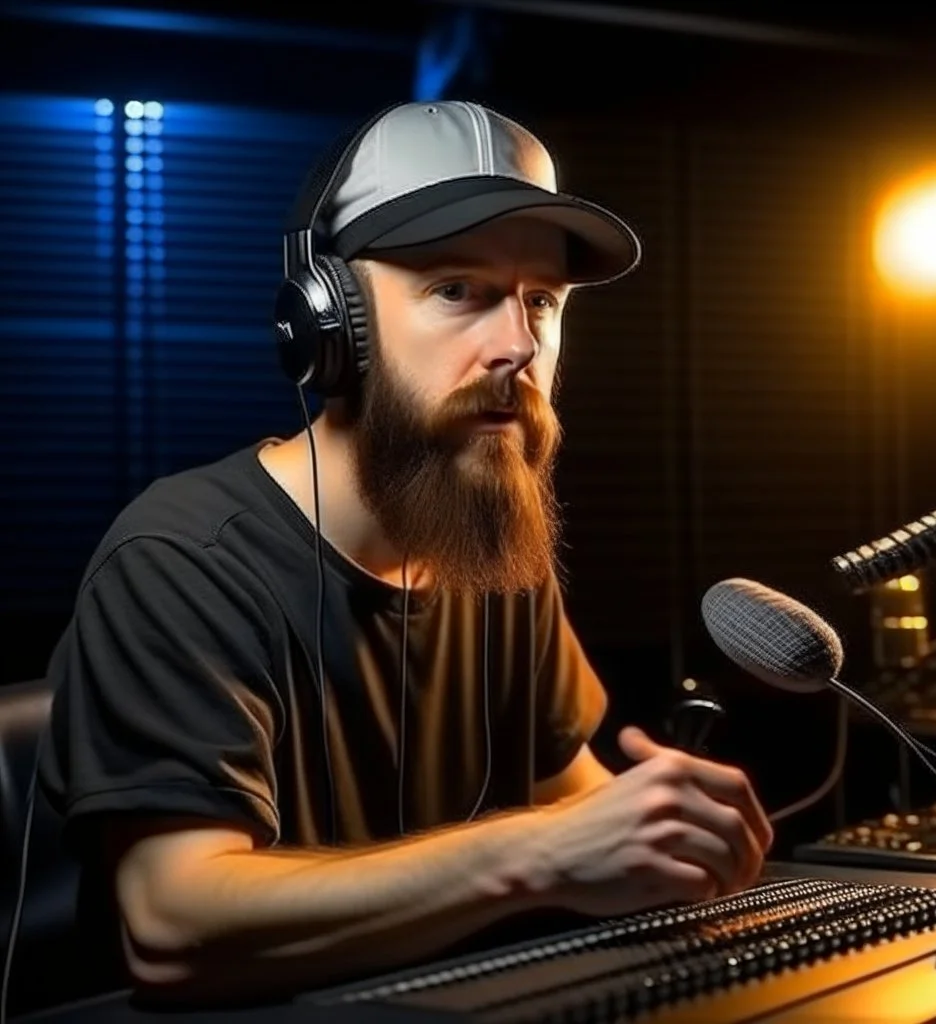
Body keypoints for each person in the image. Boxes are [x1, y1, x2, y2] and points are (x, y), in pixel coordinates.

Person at [38, 100, 773, 1005]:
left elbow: (576, 807)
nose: (516, 345)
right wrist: (541, 852)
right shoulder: (181, 558)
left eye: (540, 301)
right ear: (329, 322)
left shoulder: (495, 542)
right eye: (457, 290)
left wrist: (663, 836)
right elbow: (170, 922)